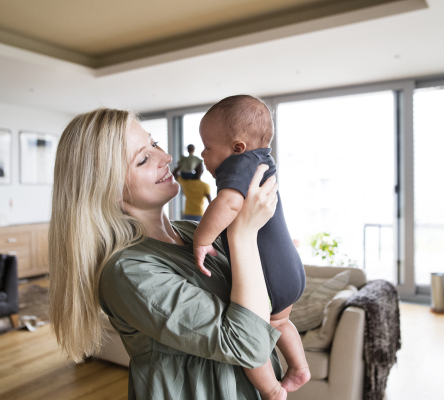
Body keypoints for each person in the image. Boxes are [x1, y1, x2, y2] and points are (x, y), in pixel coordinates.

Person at [48, 108, 287, 400]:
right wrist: (243, 234)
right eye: (144, 159)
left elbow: (264, 296)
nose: (166, 158)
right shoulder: (129, 271)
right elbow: (248, 346)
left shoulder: (191, 232)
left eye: (155, 143)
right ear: (107, 188)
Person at [193, 95, 310, 396]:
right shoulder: (263, 161)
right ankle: (299, 368)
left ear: (237, 148)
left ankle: (271, 389)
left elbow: (229, 204)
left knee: (251, 331)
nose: (203, 155)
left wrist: (202, 238)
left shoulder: (239, 164)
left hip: (266, 274)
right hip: (290, 268)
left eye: (207, 146)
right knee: (281, 322)